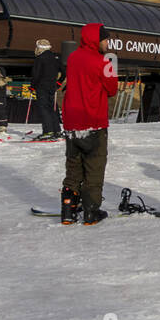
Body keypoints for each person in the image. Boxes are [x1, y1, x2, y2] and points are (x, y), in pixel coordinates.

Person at [59, 23, 119, 225]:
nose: (108, 43)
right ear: (97, 40)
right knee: (94, 168)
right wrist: (112, 68)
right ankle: (91, 212)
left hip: (71, 124)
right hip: (93, 123)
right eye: (106, 39)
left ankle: (68, 210)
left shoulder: (73, 58)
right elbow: (112, 89)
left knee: (73, 168)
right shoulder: (104, 62)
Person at [31, 39, 62, 138]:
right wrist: (58, 83)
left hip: (42, 87)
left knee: (44, 109)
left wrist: (32, 87)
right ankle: (57, 130)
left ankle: (48, 131)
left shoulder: (39, 58)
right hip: (52, 87)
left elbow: (36, 75)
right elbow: (65, 72)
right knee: (52, 108)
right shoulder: (55, 58)